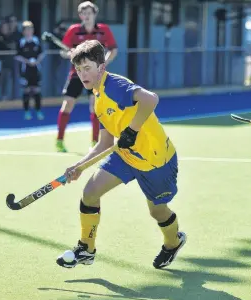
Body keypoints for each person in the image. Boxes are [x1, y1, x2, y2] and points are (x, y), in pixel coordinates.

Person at [56, 40, 186, 270]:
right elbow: (104, 143)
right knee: (90, 193)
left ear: (101, 67)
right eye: (78, 69)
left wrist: (132, 131)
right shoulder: (97, 99)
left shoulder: (114, 85)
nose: (82, 74)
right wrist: (80, 166)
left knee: (157, 211)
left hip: (155, 160)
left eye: (87, 68)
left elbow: (150, 99)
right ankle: (86, 248)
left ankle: (173, 242)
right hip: (126, 155)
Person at [56, 1, 118, 152]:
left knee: (95, 107)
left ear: (94, 14)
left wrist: (104, 63)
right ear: (80, 15)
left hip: (96, 76)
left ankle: (95, 142)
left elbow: (113, 49)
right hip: (77, 73)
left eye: (89, 13)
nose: (87, 16)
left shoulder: (104, 30)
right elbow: (63, 51)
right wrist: (68, 54)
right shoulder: (73, 30)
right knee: (67, 104)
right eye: (84, 13)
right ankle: (60, 140)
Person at [14, 21, 45, 120]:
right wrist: (27, 61)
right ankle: (27, 112)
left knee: (37, 90)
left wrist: (37, 61)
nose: (28, 31)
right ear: (23, 31)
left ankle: (38, 111)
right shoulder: (21, 42)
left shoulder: (36, 40)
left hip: (36, 69)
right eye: (26, 30)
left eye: (30, 29)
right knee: (27, 91)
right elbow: (17, 56)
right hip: (25, 70)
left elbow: (42, 53)